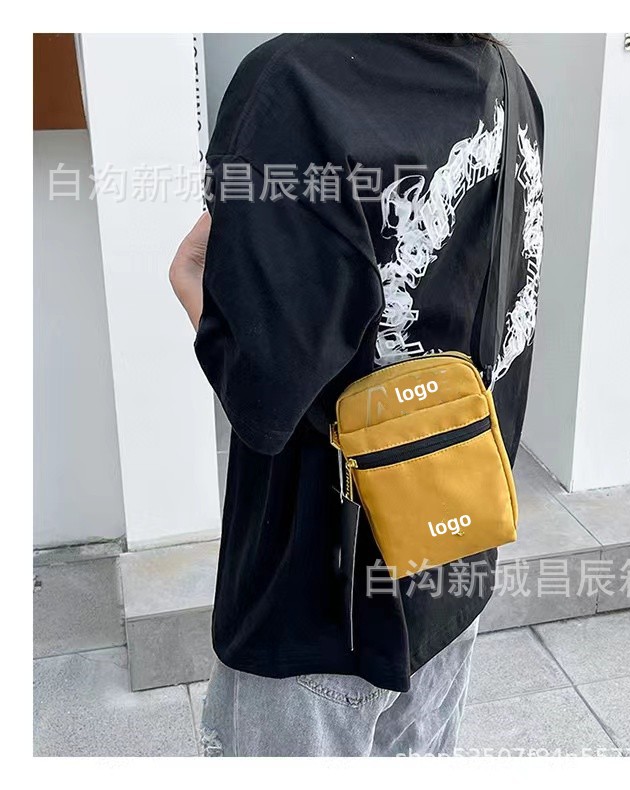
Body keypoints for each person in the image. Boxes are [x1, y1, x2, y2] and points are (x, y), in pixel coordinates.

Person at [170, 33, 544, 757]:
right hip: (455, 554)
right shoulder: (507, 77)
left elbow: (267, 390)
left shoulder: (293, 86)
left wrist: (198, 293)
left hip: (320, 594)